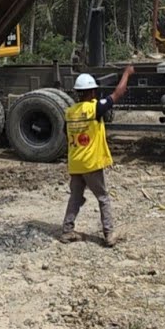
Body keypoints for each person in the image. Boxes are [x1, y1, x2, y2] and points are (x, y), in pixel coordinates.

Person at [60, 65, 135, 247]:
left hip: (75, 163)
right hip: (91, 163)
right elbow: (118, 93)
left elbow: (66, 133)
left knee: (76, 197)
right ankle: (109, 234)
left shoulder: (70, 113)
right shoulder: (95, 108)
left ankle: (67, 231)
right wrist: (127, 73)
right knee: (103, 197)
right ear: (92, 91)